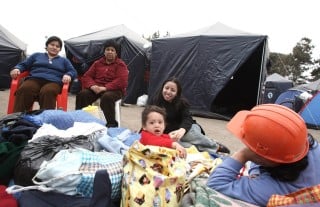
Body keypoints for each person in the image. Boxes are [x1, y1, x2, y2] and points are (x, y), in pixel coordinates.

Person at [206, 104, 320, 206]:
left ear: (264, 159)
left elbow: (216, 184)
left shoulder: (269, 189)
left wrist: (243, 154)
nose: (247, 148)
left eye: (249, 147)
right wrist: (256, 170)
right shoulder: (306, 146)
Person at [149, 77, 230, 155]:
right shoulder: (155, 101)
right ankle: (210, 149)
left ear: (177, 93)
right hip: (172, 134)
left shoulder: (182, 103)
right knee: (182, 145)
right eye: (166, 88)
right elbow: (149, 119)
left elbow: (187, 118)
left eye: (173, 90)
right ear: (162, 88)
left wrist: (182, 130)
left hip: (189, 129)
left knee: (189, 136)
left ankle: (215, 146)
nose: (168, 92)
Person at [10, 36, 77, 112]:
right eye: (52, 45)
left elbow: (73, 71)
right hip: (34, 79)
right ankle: (18, 117)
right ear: (47, 46)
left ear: (60, 49)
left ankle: (45, 119)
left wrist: (68, 74)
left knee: (48, 91)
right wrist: (17, 68)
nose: (54, 47)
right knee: (25, 88)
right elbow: (23, 65)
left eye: (57, 46)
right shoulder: (36, 55)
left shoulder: (64, 60)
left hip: (54, 82)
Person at [75, 40, 128, 128]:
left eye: (112, 50)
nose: (110, 52)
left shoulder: (121, 65)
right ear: (104, 51)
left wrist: (105, 88)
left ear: (116, 53)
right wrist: (92, 86)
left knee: (107, 97)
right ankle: (80, 120)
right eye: (107, 49)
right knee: (83, 94)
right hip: (96, 88)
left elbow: (121, 80)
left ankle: (111, 124)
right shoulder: (97, 63)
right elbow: (87, 76)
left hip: (114, 90)